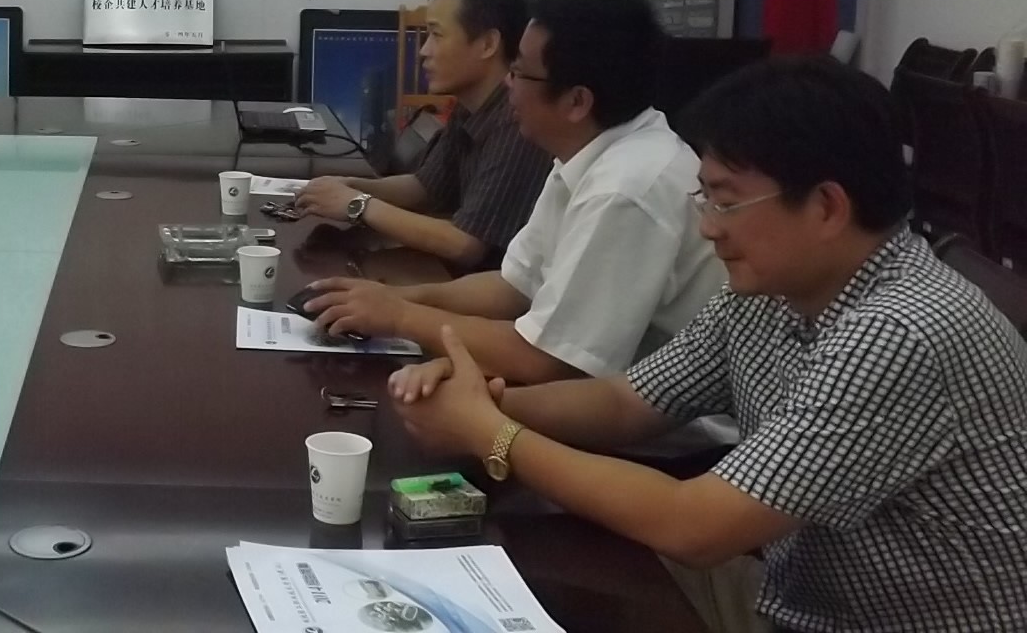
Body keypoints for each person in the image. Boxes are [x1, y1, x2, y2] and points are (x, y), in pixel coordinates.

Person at [389, 58, 1027, 633]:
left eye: (725, 202)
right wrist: (485, 401)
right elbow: (627, 403)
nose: (707, 228)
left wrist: (492, 434)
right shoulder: (774, 288)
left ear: (827, 207)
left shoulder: (899, 333)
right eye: (705, 196)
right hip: (792, 593)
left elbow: (692, 526)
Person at [305, 0, 727, 390]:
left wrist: (400, 317)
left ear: (577, 101)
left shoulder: (628, 188)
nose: (507, 82)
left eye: (520, 71)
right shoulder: (584, 151)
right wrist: (396, 298)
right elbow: (514, 287)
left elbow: (549, 361)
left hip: (661, 432)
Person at [295, 0, 551, 267]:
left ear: (488, 44)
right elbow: (425, 188)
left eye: (437, 35)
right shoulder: (470, 105)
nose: (423, 50)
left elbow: (466, 244)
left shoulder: (516, 122)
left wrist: (357, 205)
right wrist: (351, 186)